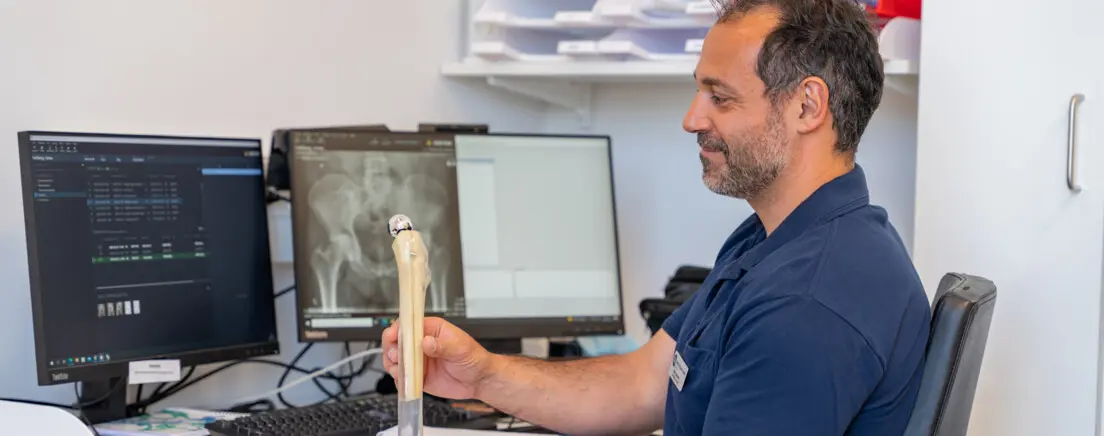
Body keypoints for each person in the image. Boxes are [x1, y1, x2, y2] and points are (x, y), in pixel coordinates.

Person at [381, 0, 931, 434]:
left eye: (720, 97)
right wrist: (482, 374)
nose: (692, 118)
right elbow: (645, 383)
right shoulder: (777, 239)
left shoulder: (808, 301)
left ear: (807, 106)